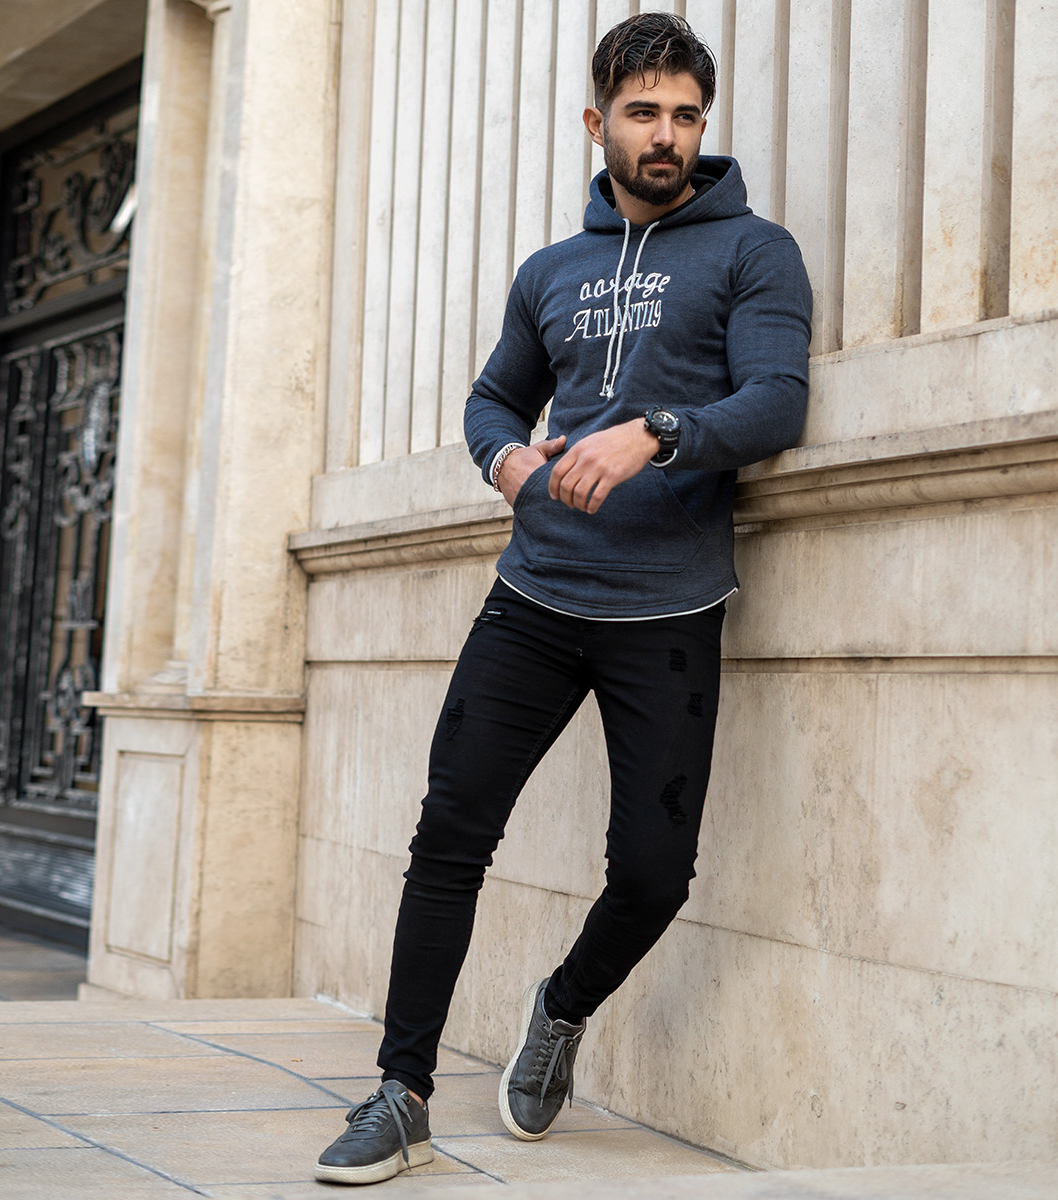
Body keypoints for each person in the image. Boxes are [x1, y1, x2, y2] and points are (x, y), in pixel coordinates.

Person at [315, 11, 812, 1186]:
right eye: (643, 113)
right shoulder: (552, 272)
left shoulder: (755, 252)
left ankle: (562, 1006)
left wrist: (656, 432)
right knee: (450, 835)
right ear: (599, 123)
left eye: (686, 114)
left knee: (653, 873)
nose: (667, 135)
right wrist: (507, 461)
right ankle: (400, 1092)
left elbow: (777, 402)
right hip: (533, 598)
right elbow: (493, 400)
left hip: (670, 608)